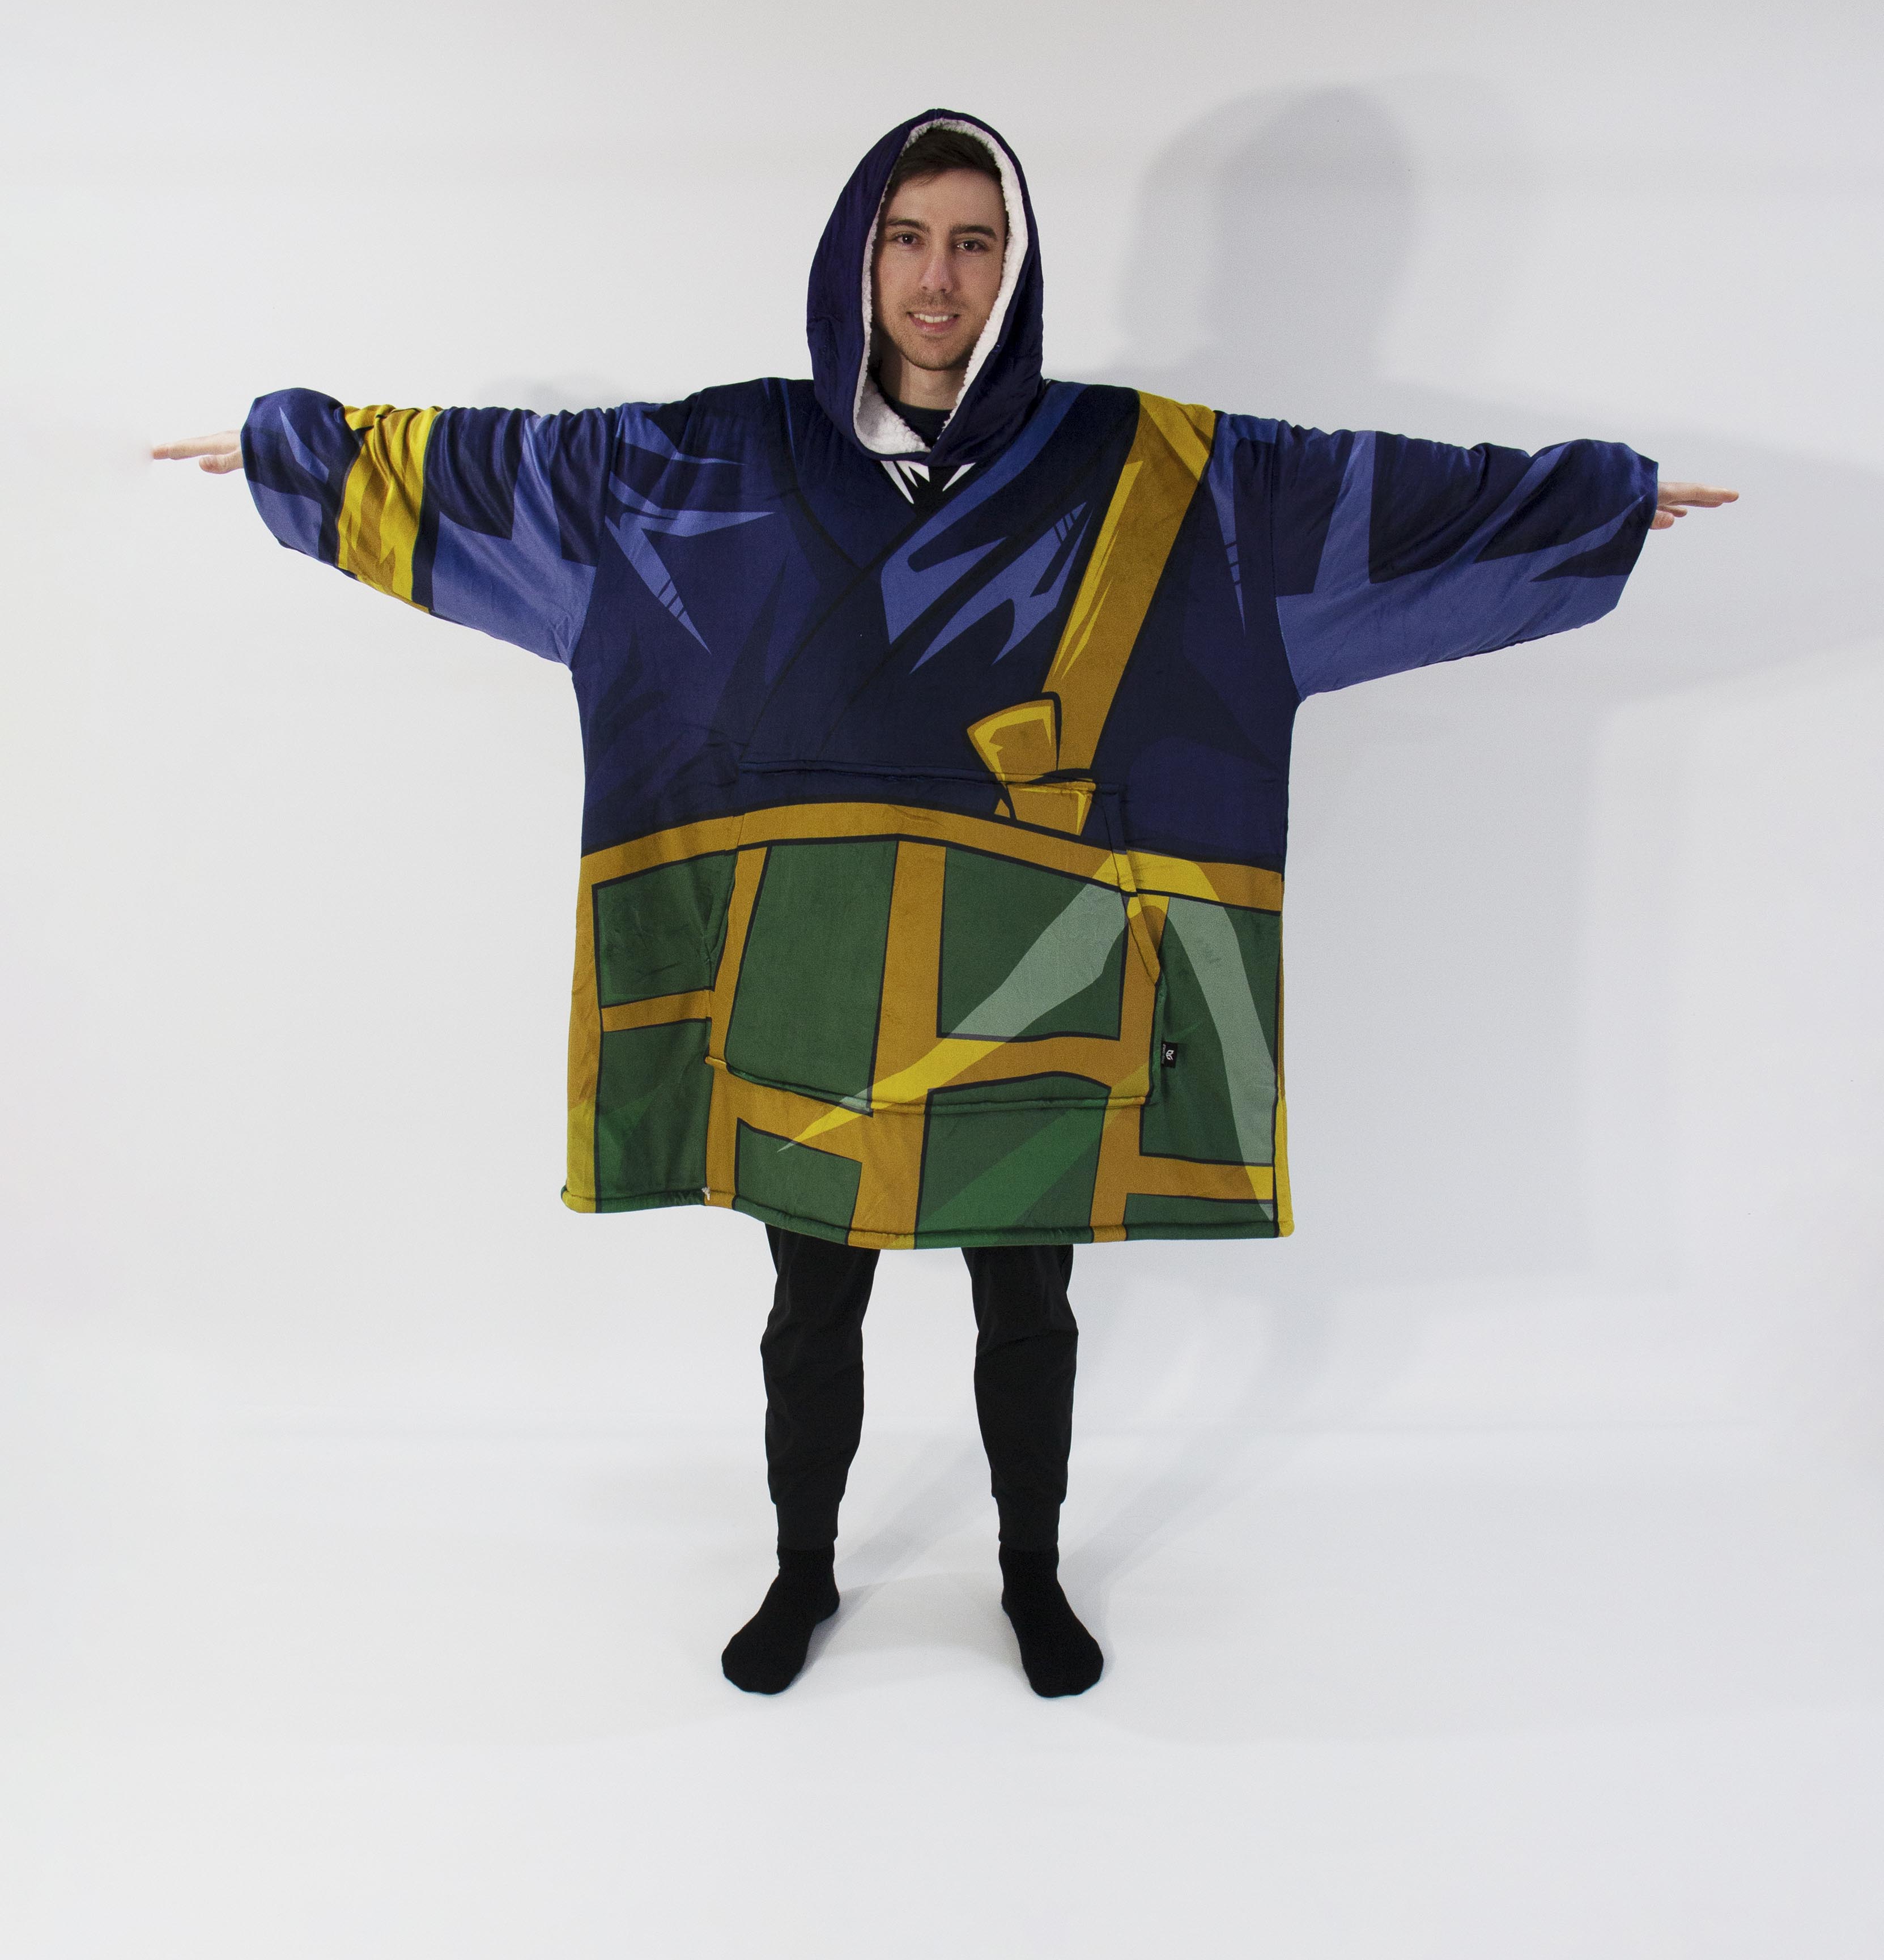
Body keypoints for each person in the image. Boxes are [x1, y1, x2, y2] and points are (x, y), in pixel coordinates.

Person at [156, 110, 1734, 1698]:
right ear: (858, 259)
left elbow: (1362, 498)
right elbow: (517, 475)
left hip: (1039, 974)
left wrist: (1585, 504)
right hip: (805, 965)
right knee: (810, 1304)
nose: (937, 279)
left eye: (974, 244)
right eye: (907, 240)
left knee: (1027, 1305)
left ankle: (1030, 1575)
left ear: (1013, 271)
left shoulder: (1153, 471)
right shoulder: (709, 462)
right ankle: (802, 1571)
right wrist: (306, 454)